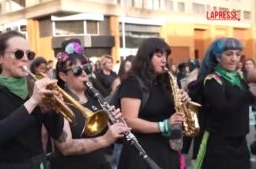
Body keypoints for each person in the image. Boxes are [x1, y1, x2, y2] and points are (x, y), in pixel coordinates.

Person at [0, 31, 64, 169]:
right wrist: (32, 102)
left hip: (38, 164)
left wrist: (56, 110)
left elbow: (55, 133)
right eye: (18, 54)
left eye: (29, 54)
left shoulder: (33, 87)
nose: (25, 59)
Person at [48, 41, 130, 169]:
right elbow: (66, 146)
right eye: (76, 70)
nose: (84, 74)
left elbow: (107, 133)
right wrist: (104, 139)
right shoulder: (58, 101)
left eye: (86, 68)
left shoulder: (94, 96)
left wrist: (114, 125)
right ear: (63, 76)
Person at [117, 38, 190, 169]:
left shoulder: (165, 81)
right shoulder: (133, 83)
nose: (164, 60)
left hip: (167, 149)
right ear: (146, 57)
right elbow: (128, 121)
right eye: (159, 55)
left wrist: (183, 101)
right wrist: (164, 125)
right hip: (141, 153)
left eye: (166, 55)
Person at [188, 38, 254, 169]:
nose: (234, 59)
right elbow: (222, 109)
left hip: (240, 141)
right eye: (229, 54)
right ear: (218, 57)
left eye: (238, 54)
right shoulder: (212, 80)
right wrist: (249, 93)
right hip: (219, 145)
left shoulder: (239, 78)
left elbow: (247, 102)